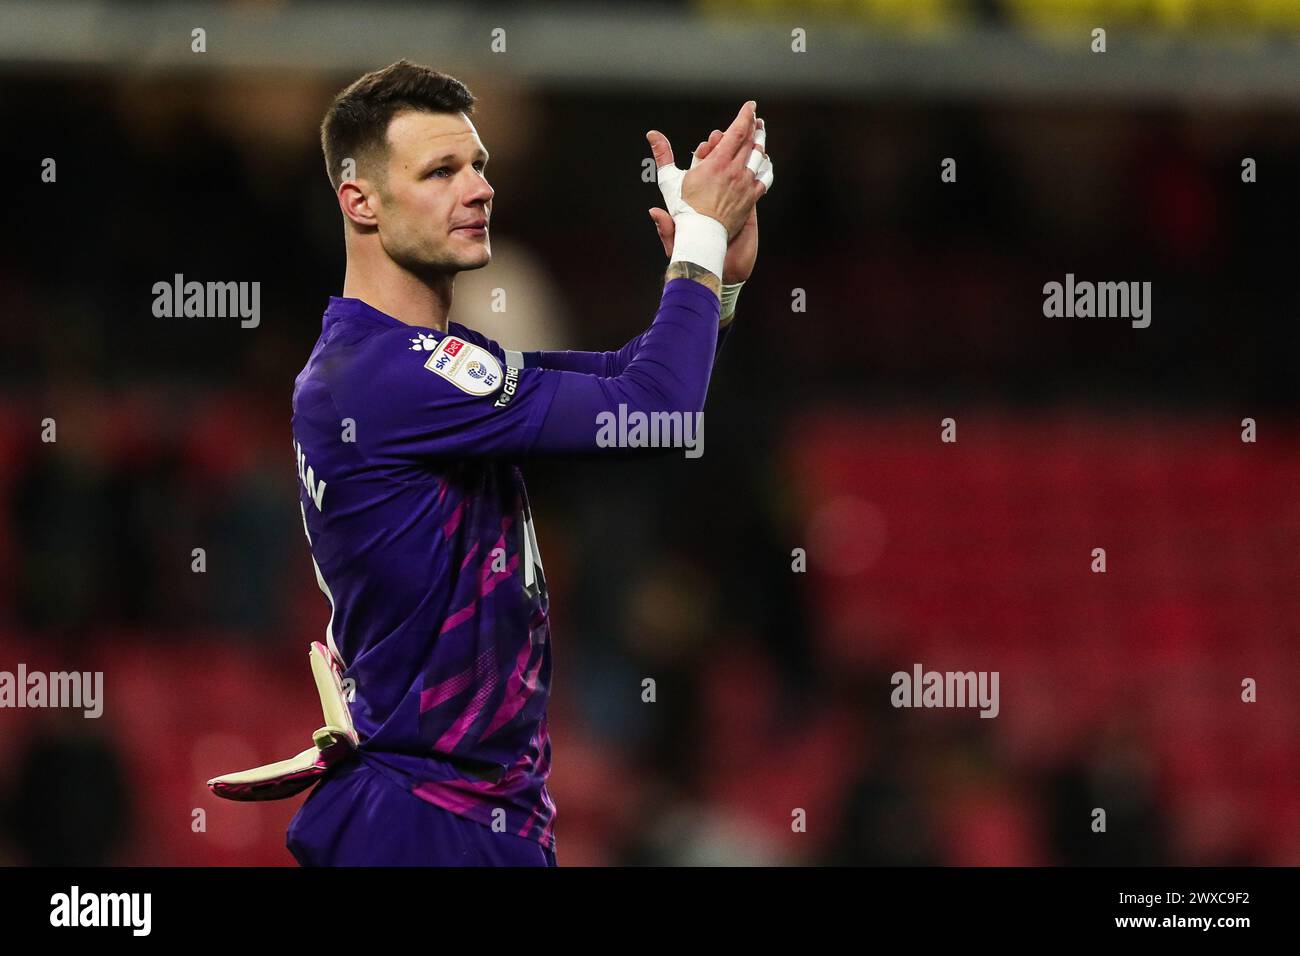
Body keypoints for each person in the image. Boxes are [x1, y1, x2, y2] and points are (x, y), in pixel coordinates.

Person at [285, 59, 772, 866]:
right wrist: (699, 238)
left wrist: (711, 282)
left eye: (478, 166)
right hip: (428, 816)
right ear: (359, 201)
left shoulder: (427, 362)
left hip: (472, 808)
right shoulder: (381, 378)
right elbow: (657, 412)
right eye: (440, 170)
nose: (478, 189)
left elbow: (629, 379)